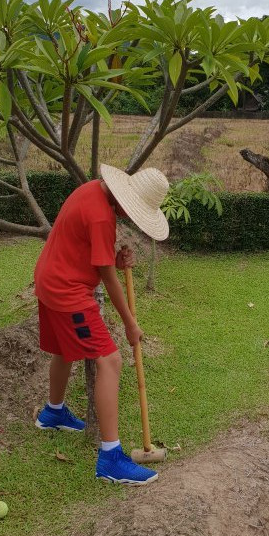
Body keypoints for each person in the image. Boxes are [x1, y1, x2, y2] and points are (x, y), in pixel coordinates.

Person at [33, 163, 170, 485]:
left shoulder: (91, 191)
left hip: (48, 280)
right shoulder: (102, 217)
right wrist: (130, 323)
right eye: (132, 213)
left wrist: (114, 259)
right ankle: (110, 458)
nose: (127, 218)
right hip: (68, 292)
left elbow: (94, 255)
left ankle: (53, 412)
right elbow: (107, 276)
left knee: (64, 351)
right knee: (110, 360)